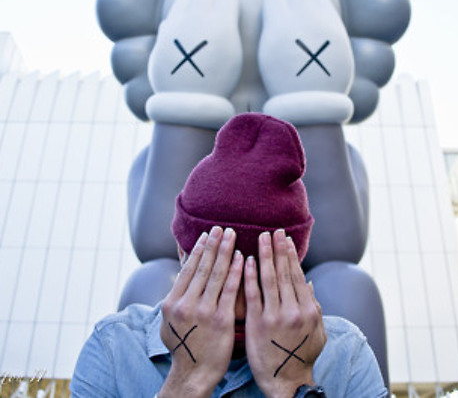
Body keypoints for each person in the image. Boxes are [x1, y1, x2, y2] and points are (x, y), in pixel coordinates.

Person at [70, 113, 387, 398]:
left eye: (260, 280)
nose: (237, 309)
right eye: (217, 277)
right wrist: (187, 383)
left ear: (293, 266)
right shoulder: (114, 348)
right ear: (183, 253)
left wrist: (292, 385)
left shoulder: (347, 355)